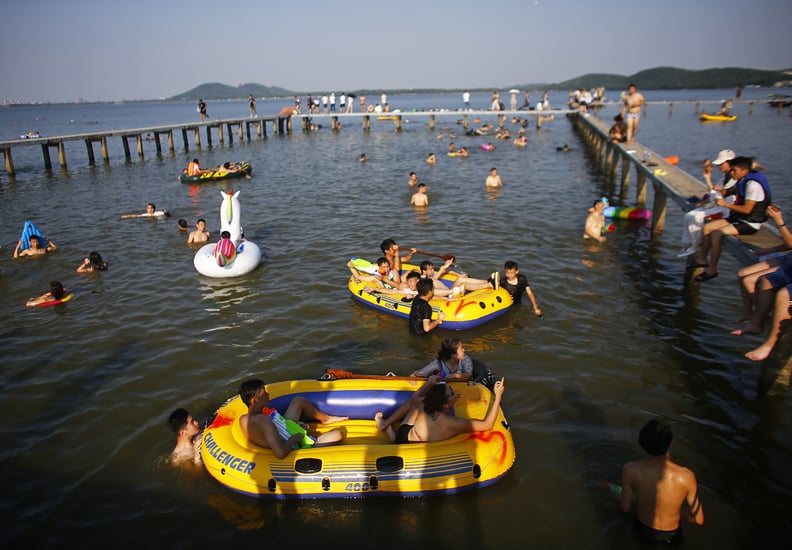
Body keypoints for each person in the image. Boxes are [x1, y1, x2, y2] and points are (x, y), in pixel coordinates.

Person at [620, 419, 704, 544]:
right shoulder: (686, 476)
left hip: (642, 530)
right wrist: (678, 511)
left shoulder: (630, 470)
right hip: (671, 535)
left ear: (643, 444)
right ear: (670, 444)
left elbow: (625, 507)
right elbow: (698, 519)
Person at [693, 156, 772, 282]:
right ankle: (702, 259)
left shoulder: (753, 185)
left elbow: (747, 210)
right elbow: (726, 192)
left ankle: (712, 270)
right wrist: (712, 184)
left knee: (716, 234)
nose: (731, 173)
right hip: (739, 218)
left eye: (734, 170)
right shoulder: (742, 180)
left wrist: (726, 204)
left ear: (745, 171)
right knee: (707, 228)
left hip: (750, 223)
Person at [376, 376, 505, 443]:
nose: (455, 393)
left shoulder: (425, 406)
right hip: (414, 446)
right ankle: (387, 429)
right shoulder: (452, 423)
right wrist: (498, 396)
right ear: (444, 404)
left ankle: (387, 427)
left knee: (415, 403)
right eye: (452, 392)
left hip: (404, 434)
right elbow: (487, 425)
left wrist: (430, 383)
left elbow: (415, 397)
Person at [238, 379, 345, 459]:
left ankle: (325, 419)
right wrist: (293, 438)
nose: (268, 394)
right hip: (293, 445)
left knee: (298, 401)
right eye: (264, 392)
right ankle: (316, 447)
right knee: (337, 434)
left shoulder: (243, 419)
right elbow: (280, 453)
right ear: (255, 401)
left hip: (284, 432)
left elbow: (266, 433)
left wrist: (295, 426)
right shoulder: (264, 420)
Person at [677, 149, 737, 258]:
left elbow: (725, 195)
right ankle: (689, 244)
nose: (720, 166)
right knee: (688, 215)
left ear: (730, 163)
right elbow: (714, 193)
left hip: (726, 209)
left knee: (697, 217)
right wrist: (708, 179)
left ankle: (695, 246)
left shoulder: (736, 179)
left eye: (721, 164)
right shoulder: (723, 178)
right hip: (716, 205)